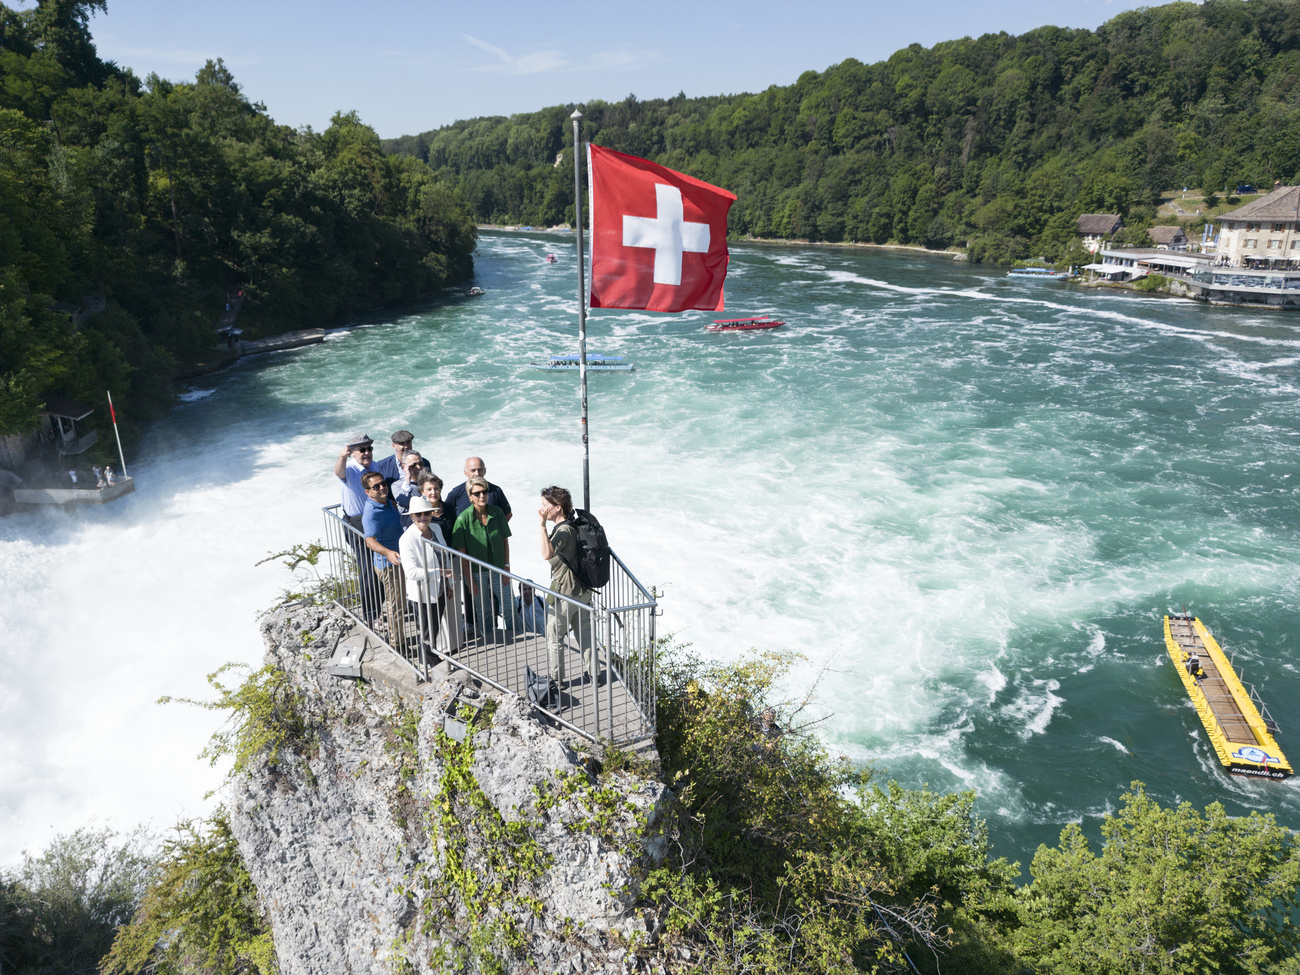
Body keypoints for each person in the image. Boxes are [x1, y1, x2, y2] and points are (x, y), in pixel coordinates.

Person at [453, 476, 522, 641]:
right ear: (470, 497)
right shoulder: (463, 519)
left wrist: (507, 567)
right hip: (476, 572)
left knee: (509, 607)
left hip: (499, 568)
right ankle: (489, 640)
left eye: (484, 491)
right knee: (482, 610)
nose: (481, 496)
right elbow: (463, 555)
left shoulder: (497, 513)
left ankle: (519, 637)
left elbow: (505, 541)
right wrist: (471, 580)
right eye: (477, 493)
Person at [539, 485, 595, 684]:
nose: (543, 509)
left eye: (546, 506)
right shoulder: (575, 524)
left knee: (554, 636)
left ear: (558, 508)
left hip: (566, 594)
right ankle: (594, 673)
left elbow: (547, 554)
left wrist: (542, 526)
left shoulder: (563, 530)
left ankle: (556, 679)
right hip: (584, 590)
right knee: (584, 634)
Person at [334, 433, 383, 622]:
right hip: (357, 523)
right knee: (367, 569)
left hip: (375, 518)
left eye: (369, 448)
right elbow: (338, 472)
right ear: (352, 452)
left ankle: (379, 608)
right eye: (362, 449)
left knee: (380, 565)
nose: (367, 452)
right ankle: (371, 615)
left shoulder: (374, 466)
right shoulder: (350, 468)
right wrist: (341, 457)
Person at [400, 494, 447, 666]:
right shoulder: (406, 539)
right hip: (421, 594)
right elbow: (411, 572)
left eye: (426, 513)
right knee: (427, 631)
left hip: (439, 588)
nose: (423, 517)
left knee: (434, 628)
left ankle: (430, 657)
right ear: (412, 516)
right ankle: (426, 663)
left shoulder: (436, 529)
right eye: (418, 514)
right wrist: (439, 573)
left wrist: (447, 583)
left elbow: (444, 555)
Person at [361, 471, 406, 648]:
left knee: (397, 602)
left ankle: (397, 638)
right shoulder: (371, 512)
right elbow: (369, 541)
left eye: (383, 484)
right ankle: (398, 644)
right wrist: (388, 552)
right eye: (376, 487)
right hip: (389, 565)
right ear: (367, 492)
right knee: (397, 606)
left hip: (399, 560)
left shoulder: (387, 502)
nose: (382, 488)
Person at [444, 457, 512, 522]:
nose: (477, 473)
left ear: (485, 471)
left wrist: (498, 531)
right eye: (473, 470)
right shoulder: (456, 492)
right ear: (465, 473)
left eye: (480, 470)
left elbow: (508, 514)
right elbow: (445, 514)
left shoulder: (496, 491)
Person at [392, 451, 424, 518]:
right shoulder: (397, 485)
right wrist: (408, 478)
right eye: (413, 465)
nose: (418, 467)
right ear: (404, 467)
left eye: (420, 464)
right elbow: (404, 502)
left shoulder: (427, 482)